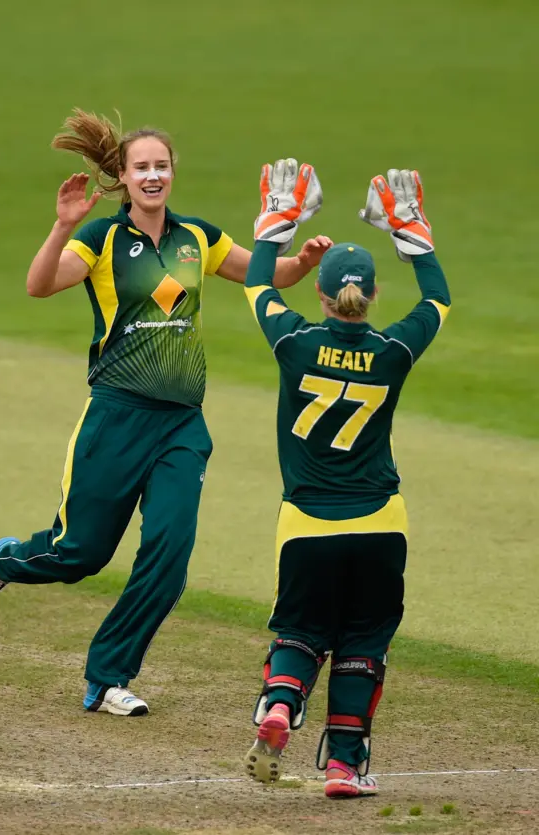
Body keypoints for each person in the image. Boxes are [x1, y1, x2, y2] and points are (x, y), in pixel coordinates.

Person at [0, 111, 330, 717]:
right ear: (123, 177)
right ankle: (6, 561)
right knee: (81, 554)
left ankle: (107, 679)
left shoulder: (197, 238)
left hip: (181, 424)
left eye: (161, 166)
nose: (153, 176)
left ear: (173, 173)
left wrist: (303, 262)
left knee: (170, 558)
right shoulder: (99, 239)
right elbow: (39, 285)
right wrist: (60, 226)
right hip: (116, 417)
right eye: (141, 168)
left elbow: (267, 273)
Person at [241, 162, 450, 797]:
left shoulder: (294, 343)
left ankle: (280, 703)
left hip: (306, 523)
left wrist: (278, 224)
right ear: (370, 297)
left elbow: (256, 285)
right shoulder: (394, 353)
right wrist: (411, 233)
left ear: (323, 295)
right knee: (363, 639)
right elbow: (437, 300)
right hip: (381, 524)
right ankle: (341, 767)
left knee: (302, 630)